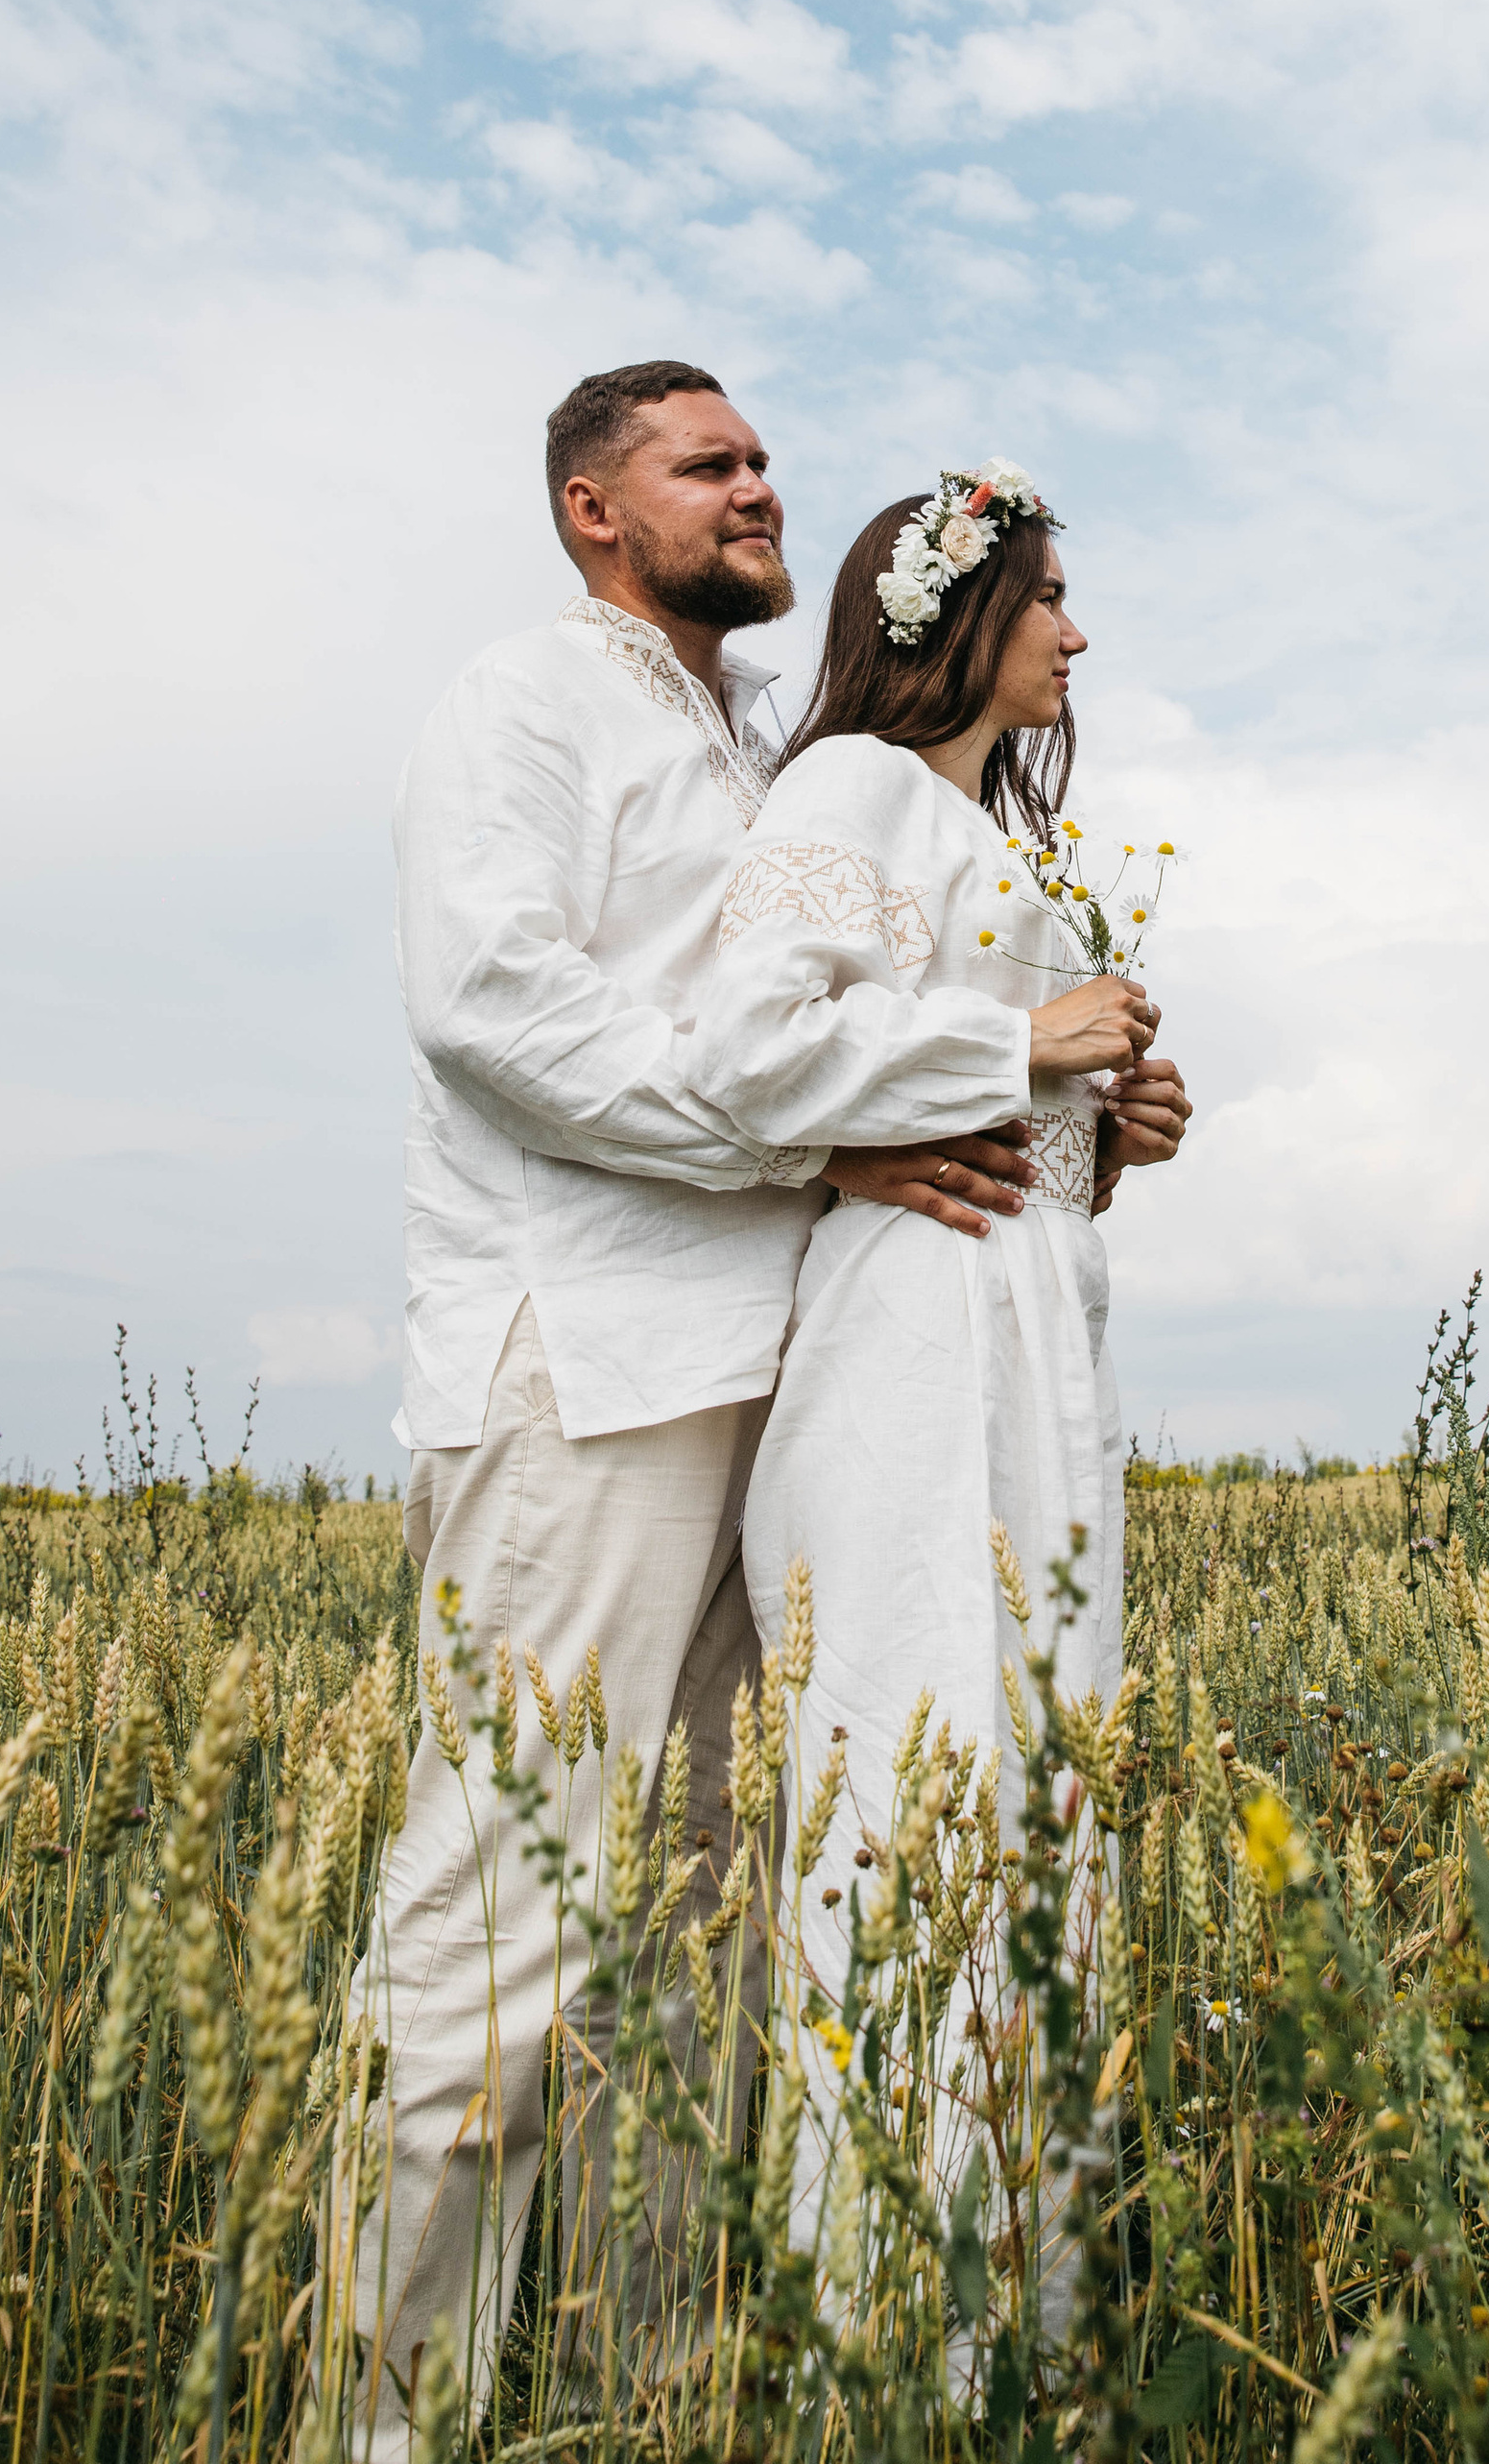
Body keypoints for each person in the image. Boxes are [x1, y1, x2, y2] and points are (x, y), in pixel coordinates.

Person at [348, 364, 1043, 2463]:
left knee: (713, 1928)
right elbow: (493, 1009)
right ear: (590, 508)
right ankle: (389, 2420)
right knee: (508, 1909)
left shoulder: (768, 750)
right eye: (706, 466)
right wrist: (796, 1149)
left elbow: (825, 1021)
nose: (758, 490)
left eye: (761, 464)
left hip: (793, 1383)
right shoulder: (525, 705)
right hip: (591, 1366)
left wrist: (1049, 1083)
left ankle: (646, 2402)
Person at [684, 462, 1191, 2295]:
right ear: (959, 619)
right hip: (917, 1325)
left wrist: (1114, 1120)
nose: (1076, 629)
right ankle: (890, 2303)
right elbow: (754, 1049)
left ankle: (1028, 2293)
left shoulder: (1015, 843)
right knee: (927, 1752)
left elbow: (1003, 1092)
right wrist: (1020, 1035)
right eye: (1047, 594)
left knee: (1047, 1755)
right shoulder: (849, 788)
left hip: (1041, 1317)